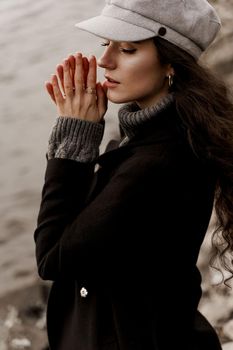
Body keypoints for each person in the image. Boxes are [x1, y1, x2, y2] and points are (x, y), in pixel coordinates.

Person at [34, 0, 233, 349]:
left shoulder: (156, 162)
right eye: (105, 44)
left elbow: (53, 258)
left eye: (127, 49)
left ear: (172, 62)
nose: (104, 60)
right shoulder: (178, 129)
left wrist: (73, 142)